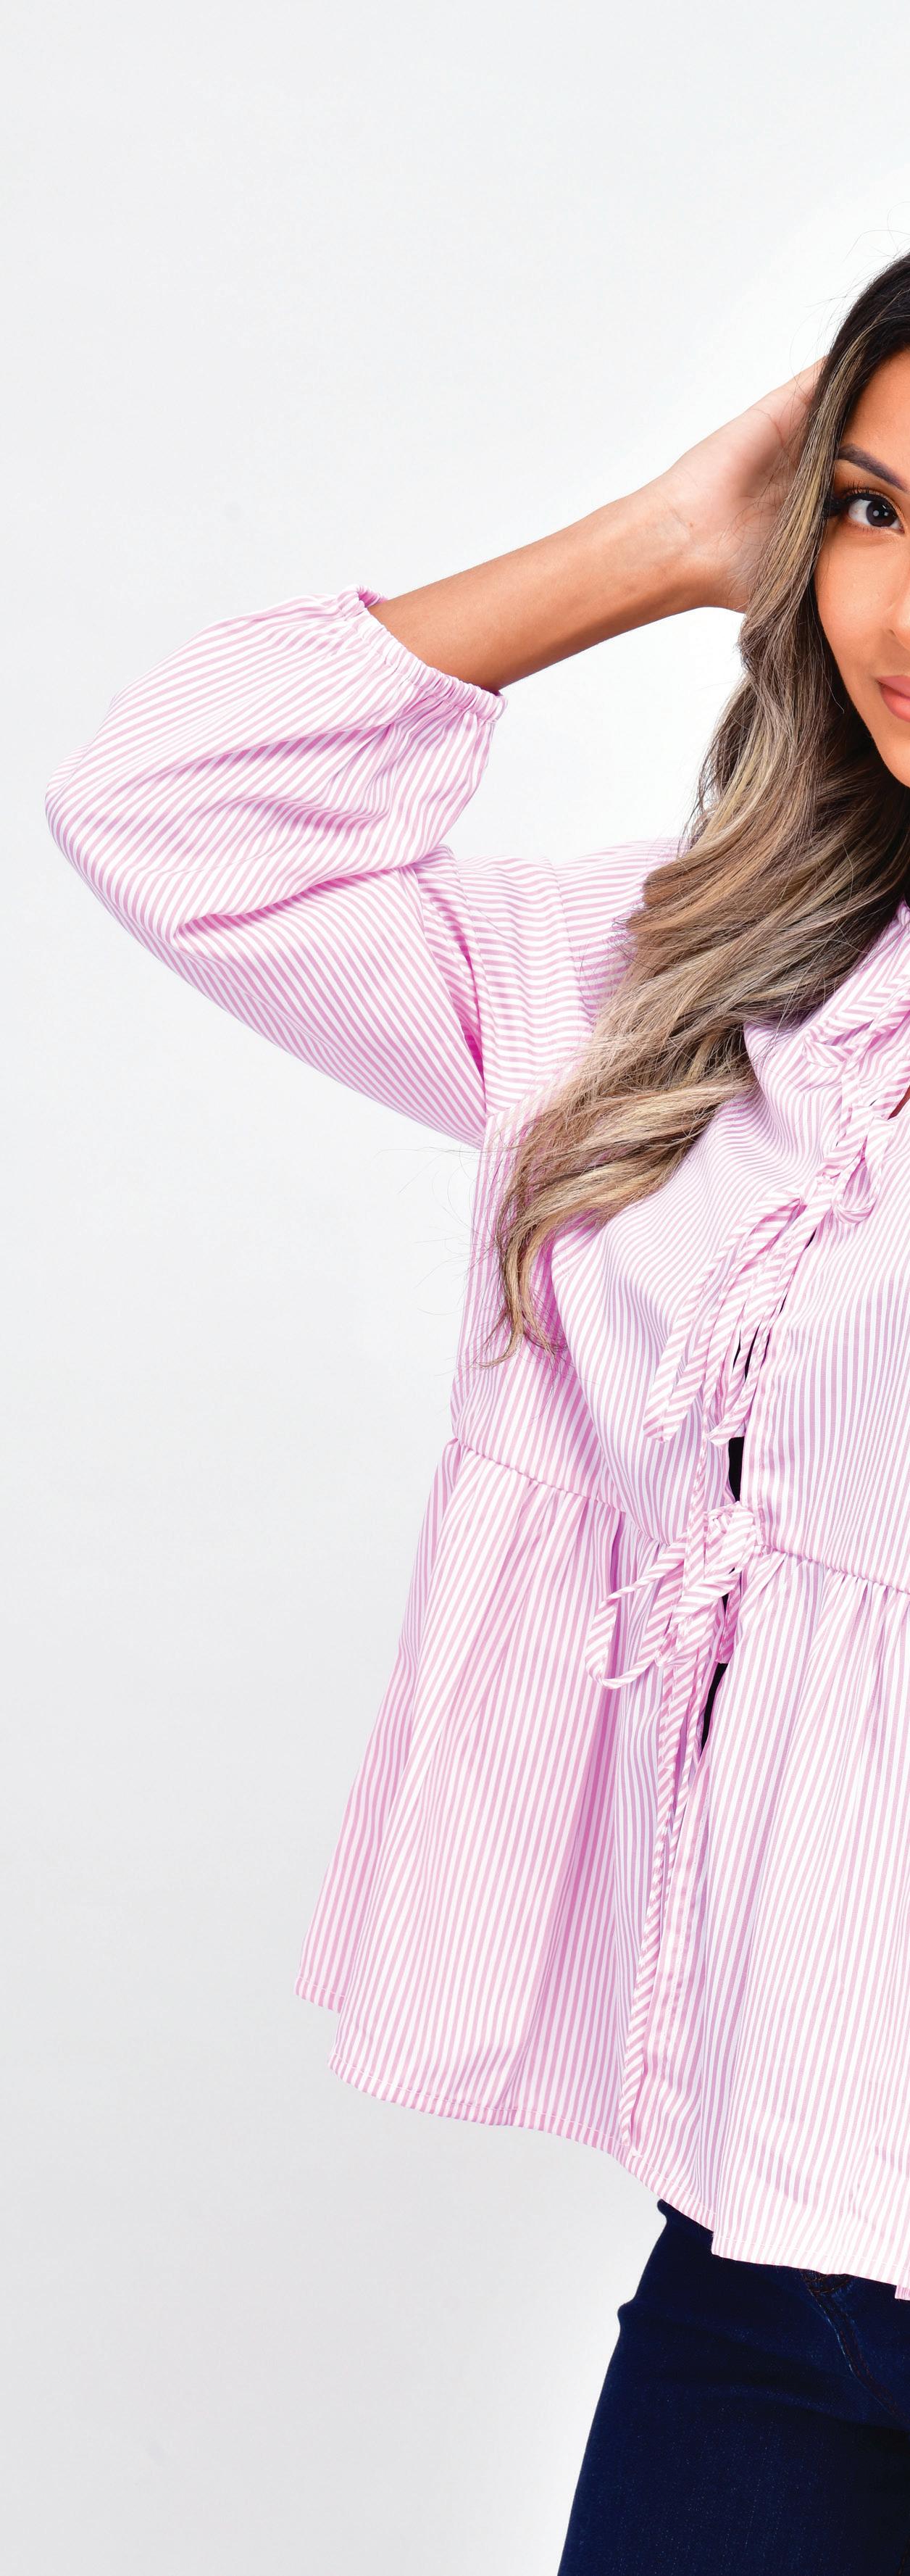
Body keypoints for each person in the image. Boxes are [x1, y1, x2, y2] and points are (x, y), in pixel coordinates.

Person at [43, 251, 910, 2570]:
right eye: (869, 507)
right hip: (775, 2251)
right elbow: (171, 813)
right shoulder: (677, 984)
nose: (903, 601)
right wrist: (656, 542)